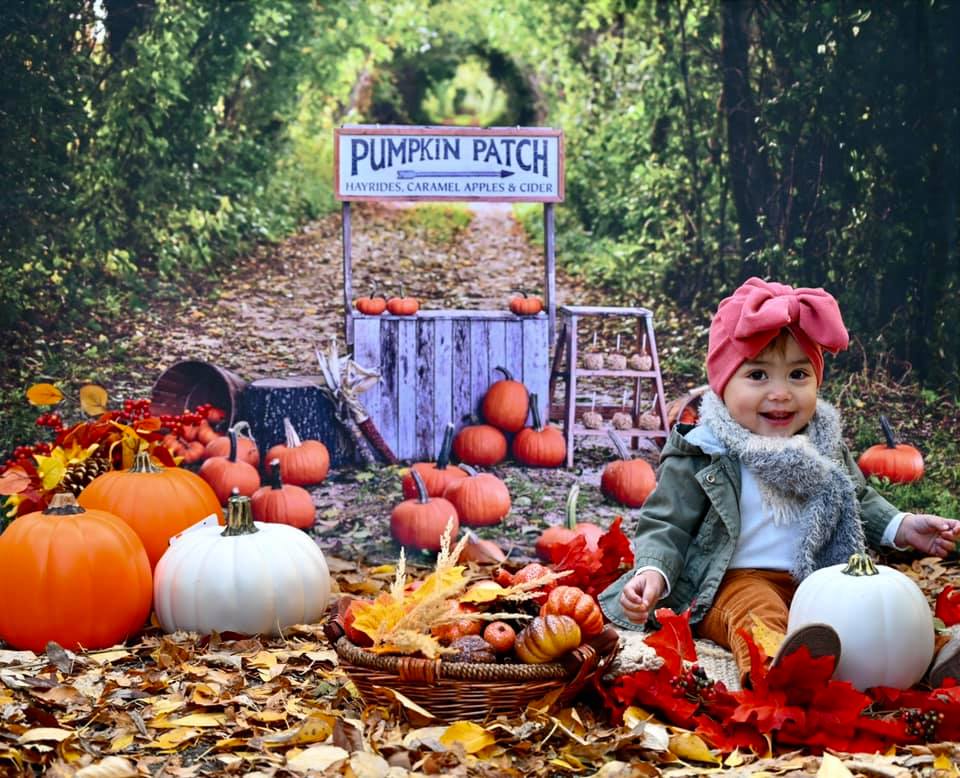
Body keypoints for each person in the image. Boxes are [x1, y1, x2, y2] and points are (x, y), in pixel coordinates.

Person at [598, 277, 960, 687]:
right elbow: (668, 523)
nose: (781, 393)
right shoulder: (704, 449)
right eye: (758, 375)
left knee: (883, 615)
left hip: (822, 577)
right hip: (733, 582)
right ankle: (779, 670)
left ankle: (934, 657)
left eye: (798, 374)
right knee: (756, 615)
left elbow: (857, 499)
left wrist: (902, 526)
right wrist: (654, 572)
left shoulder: (822, 444)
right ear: (723, 382)